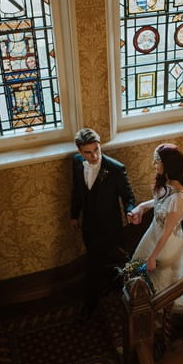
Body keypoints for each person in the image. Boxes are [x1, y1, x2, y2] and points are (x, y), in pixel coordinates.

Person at [70, 128, 136, 318]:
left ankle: (119, 302)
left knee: (114, 262)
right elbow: (76, 192)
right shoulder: (76, 163)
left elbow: (128, 197)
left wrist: (130, 210)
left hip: (111, 227)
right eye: (88, 152)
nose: (94, 156)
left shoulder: (115, 169)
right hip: (89, 226)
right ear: (80, 152)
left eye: (97, 149)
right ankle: (98, 298)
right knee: (94, 262)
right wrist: (74, 216)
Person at [130, 143, 183, 293]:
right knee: (138, 268)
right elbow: (160, 203)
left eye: (157, 161)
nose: (154, 164)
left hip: (166, 244)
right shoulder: (166, 181)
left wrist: (153, 256)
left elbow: (167, 232)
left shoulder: (178, 197)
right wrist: (142, 206)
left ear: (168, 165)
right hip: (154, 233)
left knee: (159, 284)